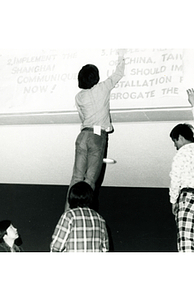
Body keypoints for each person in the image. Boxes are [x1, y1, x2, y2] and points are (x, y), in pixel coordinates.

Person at [64, 49, 126, 211]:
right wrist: (121, 56)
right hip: (97, 135)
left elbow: (81, 117)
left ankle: (67, 214)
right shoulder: (102, 88)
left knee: (76, 178)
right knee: (90, 180)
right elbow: (118, 74)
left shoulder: (79, 97)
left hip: (82, 135)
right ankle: (84, 215)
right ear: (96, 78)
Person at [169, 88, 194, 252]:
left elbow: (175, 180)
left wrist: (173, 202)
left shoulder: (180, 155)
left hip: (187, 198)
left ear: (179, 137)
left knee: (185, 246)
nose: (175, 146)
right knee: (193, 246)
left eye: (174, 142)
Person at [51, 181, 109, 252]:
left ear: (71, 197)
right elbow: (105, 249)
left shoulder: (69, 216)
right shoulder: (100, 219)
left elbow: (56, 247)